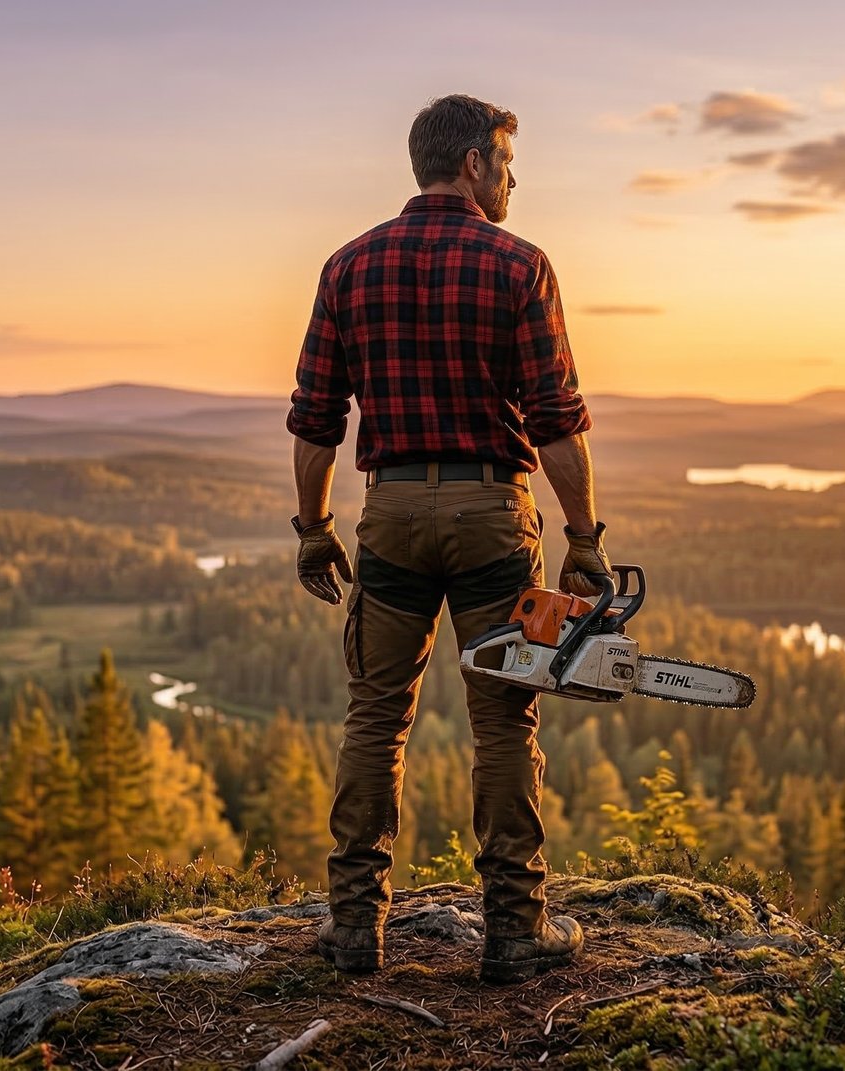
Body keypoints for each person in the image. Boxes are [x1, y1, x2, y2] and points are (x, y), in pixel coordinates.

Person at [285, 93, 611, 983]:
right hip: (494, 519)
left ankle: (355, 925)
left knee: (376, 717)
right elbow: (556, 422)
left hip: (389, 514)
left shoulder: (347, 266)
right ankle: (514, 928)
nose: (513, 177)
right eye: (506, 160)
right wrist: (584, 538)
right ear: (471, 163)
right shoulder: (521, 265)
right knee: (505, 719)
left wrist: (314, 529)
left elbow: (316, 421)